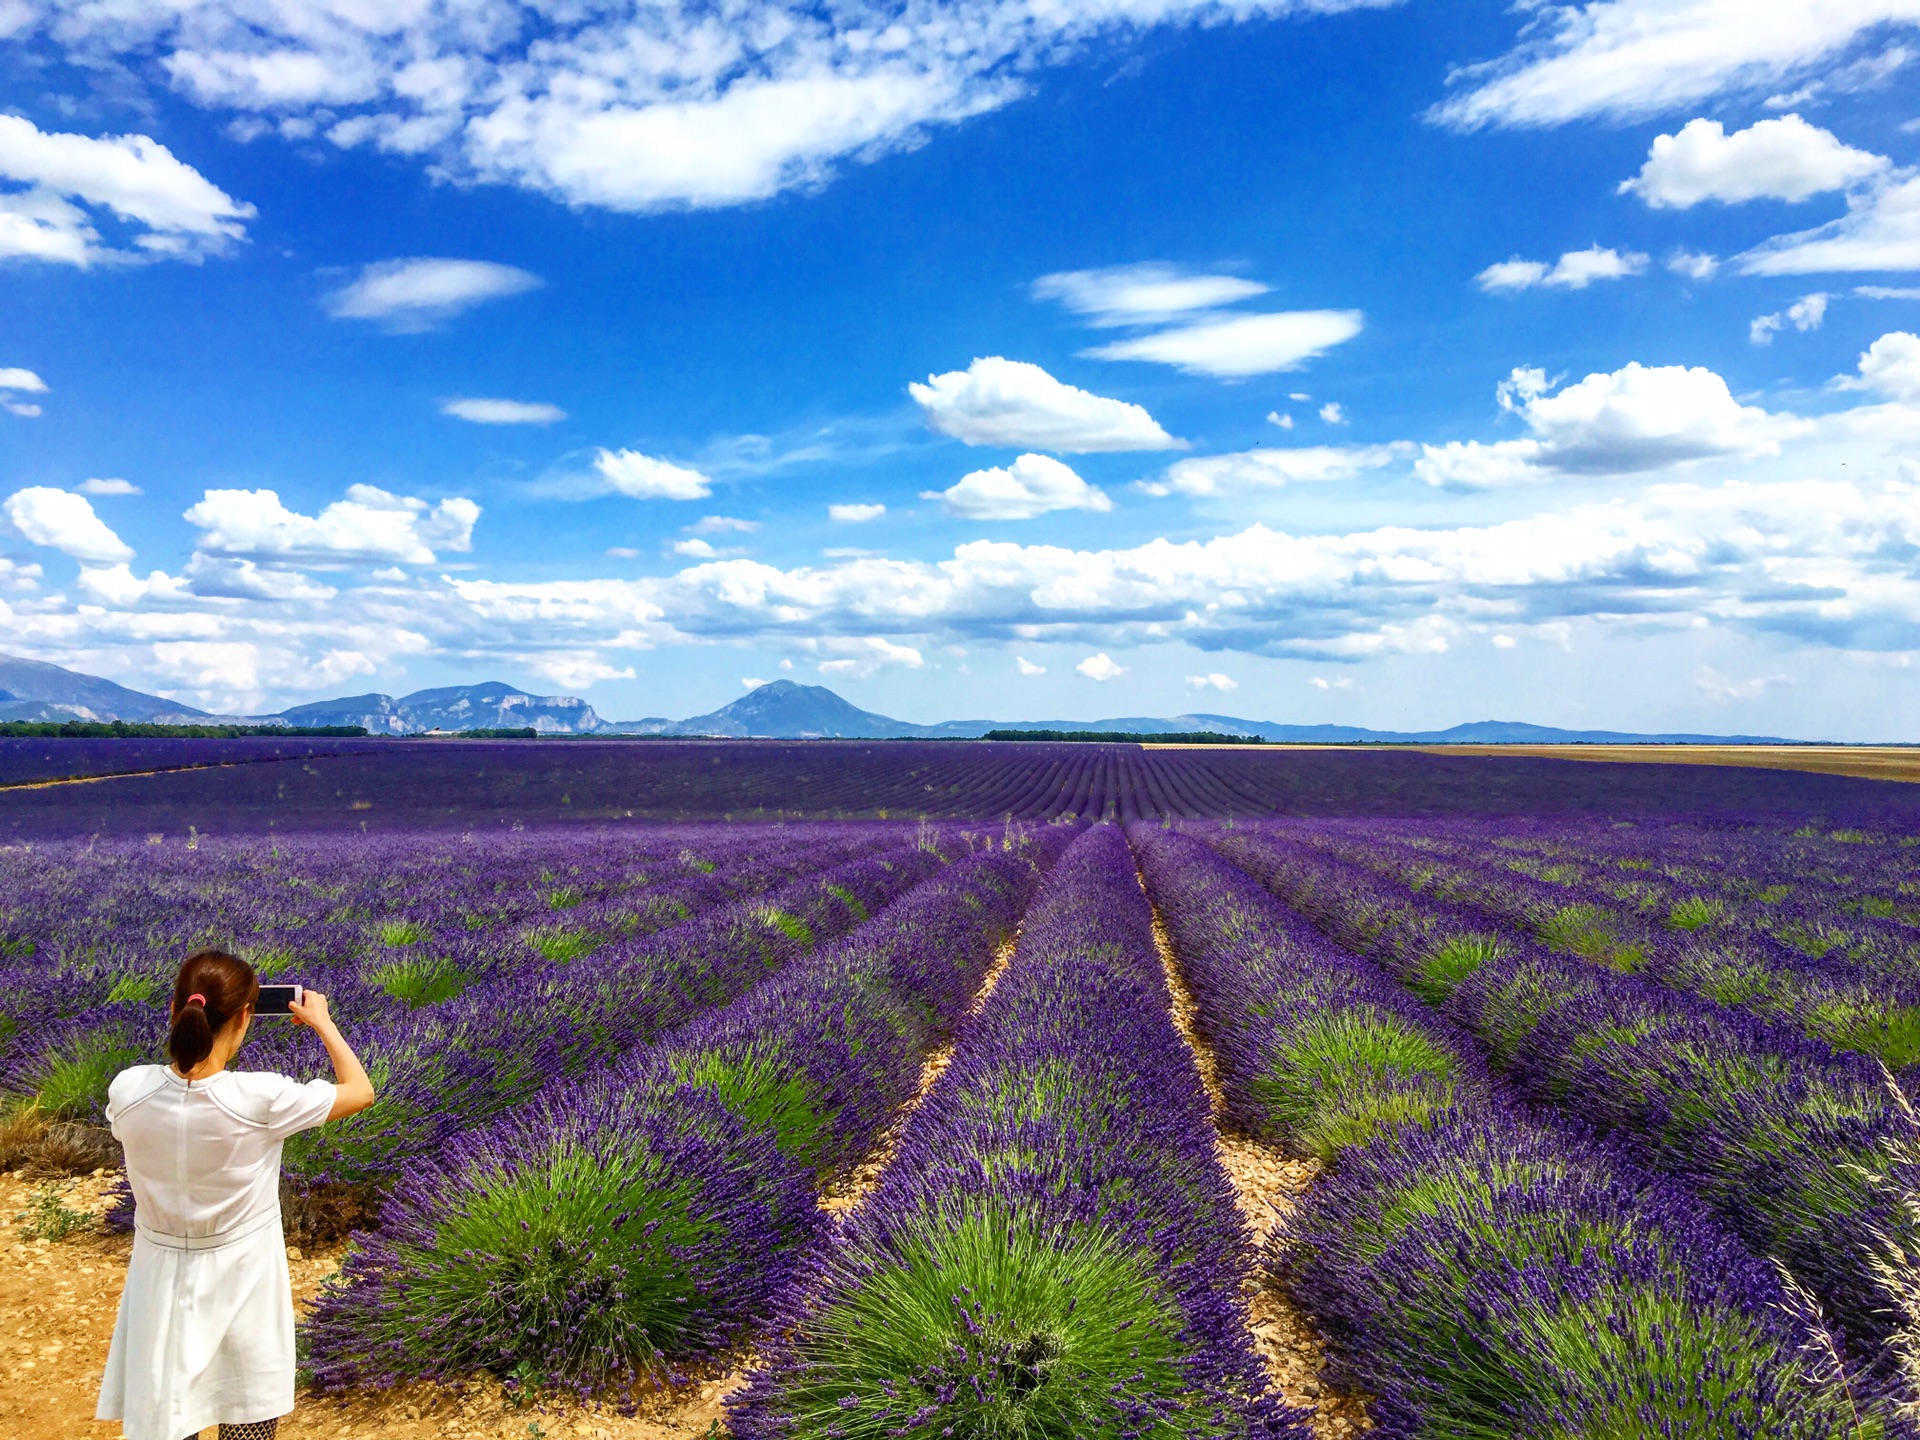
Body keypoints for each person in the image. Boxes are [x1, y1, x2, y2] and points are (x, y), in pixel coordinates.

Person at [95, 949, 376, 1440]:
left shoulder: (128, 1090)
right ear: (246, 1017)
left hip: (159, 1280)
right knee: (246, 1414)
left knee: (168, 1415)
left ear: (175, 1008)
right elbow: (360, 1090)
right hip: (242, 1280)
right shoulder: (261, 1098)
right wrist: (323, 1023)